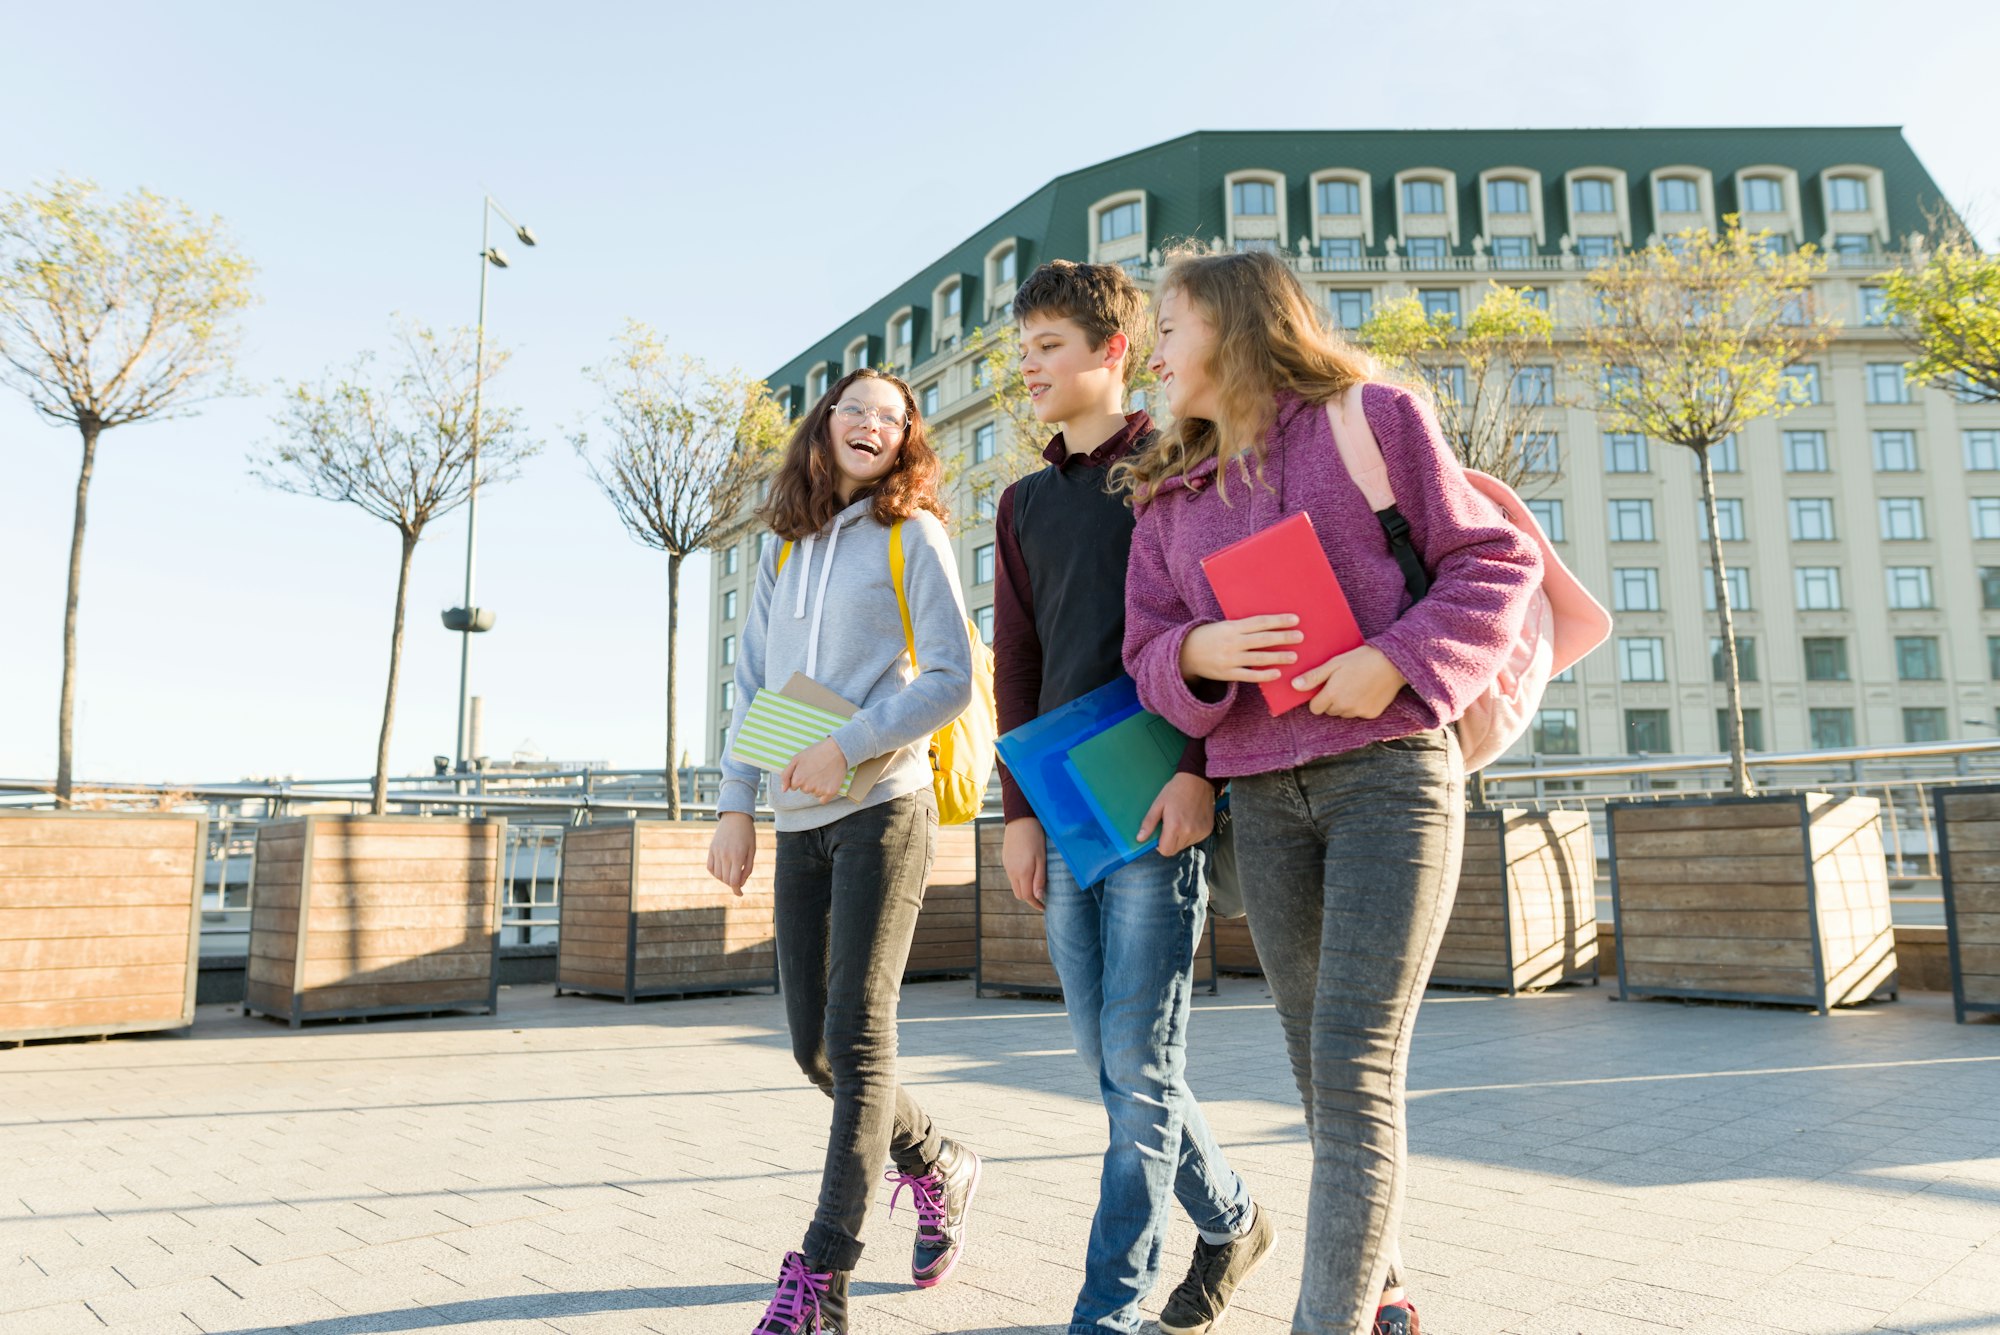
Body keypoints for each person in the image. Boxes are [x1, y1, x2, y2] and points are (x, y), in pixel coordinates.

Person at [1117, 250, 1542, 1335]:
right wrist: (1202, 649)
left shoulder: (1372, 418)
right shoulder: (1171, 497)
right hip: (1261, 800)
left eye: (1169, 323)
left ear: (1236, 321)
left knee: (1352, 1067)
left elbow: (1493, 563)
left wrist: (1396, 659)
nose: (1154, 349)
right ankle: (1383, 1285)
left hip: (1389, 782)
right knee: (1316, 1068)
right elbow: (1145, 651)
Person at [994, 259, 1273, 1335]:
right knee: (1108, 1062)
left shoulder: (1176, 467)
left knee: (1138, 1064)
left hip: (1161, 790)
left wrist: (1200, 772)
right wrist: (1015, 811)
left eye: (1047, 348)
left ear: (1111, 353)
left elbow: (1226, 620)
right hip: (1062, 805)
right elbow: (1013, 662)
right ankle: (1233, 1218)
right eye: (1020, 351)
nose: (1028, 367)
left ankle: (1105, 1310)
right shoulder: (1020, 503)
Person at [709, 368, 980, 1335]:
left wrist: (852, 741)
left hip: (886, 808)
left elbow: (948, 677)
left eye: (890, 415)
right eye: (853, 409)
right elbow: (750, 687)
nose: (871, 423)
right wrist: (736, 800)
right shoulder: (784, 547)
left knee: (861, 1040)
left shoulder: (915, 534)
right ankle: (936, 1159)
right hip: (796, 817)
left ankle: (822, 1276)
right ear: (824, 428)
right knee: (814, 1045)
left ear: (906, 437)